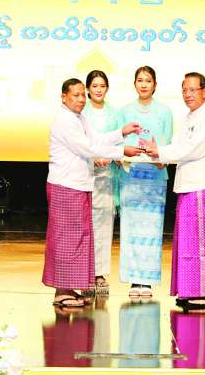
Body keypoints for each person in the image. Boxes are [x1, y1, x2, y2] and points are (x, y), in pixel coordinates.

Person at [43, 78, 141, 308]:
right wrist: (121, 151)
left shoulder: (79, 118)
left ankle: (69, 288)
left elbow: (97, 138)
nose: (80, 99)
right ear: (63, 97)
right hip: (66, 185)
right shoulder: (64, 121)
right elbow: (88, 148)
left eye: (81, 95)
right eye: (75, 95)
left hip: (78, 185)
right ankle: (61, 291)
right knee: (66, 238)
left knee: (77, 238)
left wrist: (121, 132)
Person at [142, 72, 205, 310]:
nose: (188, 95)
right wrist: (157, 150)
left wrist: (161, 153)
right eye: (184, 90)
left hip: (201, 184)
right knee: (189, 242)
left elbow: (194, 149)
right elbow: (178, 146)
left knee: (201, 243)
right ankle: (189, 290)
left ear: (204, 91)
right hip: (187, 185)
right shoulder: (188, 117)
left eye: (193, 90)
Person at [118, 66, 173, 298]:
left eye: (148, 80)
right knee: (131, 229)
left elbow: (167, 143)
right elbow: (118, 142)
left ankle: (147, 281)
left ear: (155, 84)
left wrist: (159, 155)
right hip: (131, 175)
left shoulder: (164, 112)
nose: (143, 84)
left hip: (155, 176)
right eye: (139, 80)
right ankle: (133, 279)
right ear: (134, 84)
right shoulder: (125, 111)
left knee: (151, 229)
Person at [82, 70, 122, 295]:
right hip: (84, 174)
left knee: (104, 225)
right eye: (94, 86)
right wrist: (92, 156)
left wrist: (109, 156)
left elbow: (120, 141)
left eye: (102, 86)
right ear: (88, 89)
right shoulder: (81, 112)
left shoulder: (115, 114)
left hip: (107, 175)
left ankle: (100, 273)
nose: (98, 89)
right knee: (85, 225)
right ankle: (84, 272)